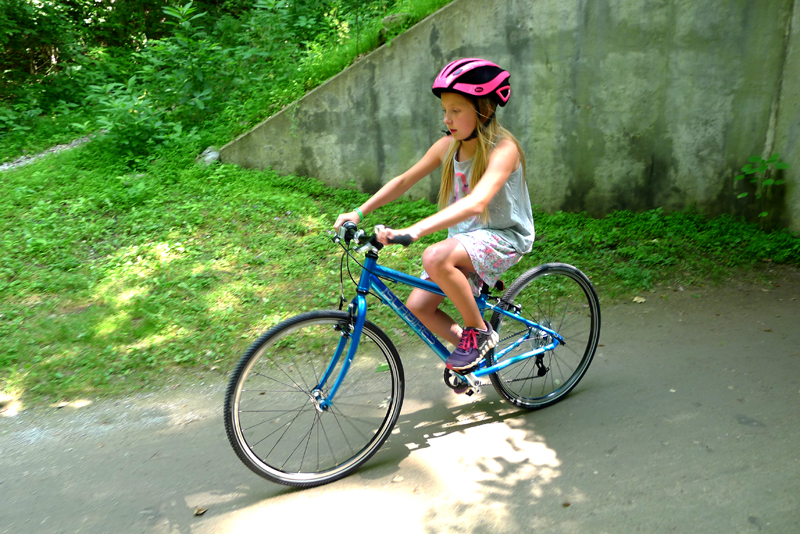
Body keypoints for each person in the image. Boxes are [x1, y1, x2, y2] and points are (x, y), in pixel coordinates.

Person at [334, 58, 535, 373]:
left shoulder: (503, 149)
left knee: (434, 256)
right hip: (466, 239)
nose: (448, 118)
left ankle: (479, 332)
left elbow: (476, 203)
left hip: (505, 237)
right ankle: (473, 357)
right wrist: (359, 211)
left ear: (483, 109)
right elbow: (404, 180)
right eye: (445, 110)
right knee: (418, 307)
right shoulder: (448, 145)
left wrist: (415, 230)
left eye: (456, 110)